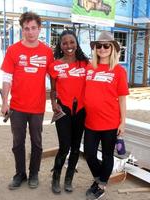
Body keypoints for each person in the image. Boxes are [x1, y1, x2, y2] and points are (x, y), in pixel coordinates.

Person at [1, 11, 54, 190]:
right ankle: (20, 174)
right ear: (22, 29)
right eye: (26, 29)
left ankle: (33, 174)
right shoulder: (13, 50)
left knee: (37, 143)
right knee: (18, 143)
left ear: (39, 29)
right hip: (17, 107)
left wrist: (57, 100)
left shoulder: (47, 52)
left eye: (33, 28)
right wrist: (4, 102)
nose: (30, 32)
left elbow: (55, 78)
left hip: (38, 107)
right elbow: (7, 77)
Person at [84, 31, 129, 200]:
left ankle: (101, 185)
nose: (102, 49)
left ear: (112, 49)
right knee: (89, 153)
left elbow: (122, 100)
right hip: (90, 122)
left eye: (106, 46)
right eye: (98, 46)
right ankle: (99, 178)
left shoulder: (118, 71)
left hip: (110, 122)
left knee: (107, 155)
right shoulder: (89, 67)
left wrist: (122, 122)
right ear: (95, 49)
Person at [48, 30, 89, 194]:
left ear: (77, 43)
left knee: (76, 147)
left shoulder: (85, 64)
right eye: (64, 43)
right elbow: (53, 89)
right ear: (60, 45)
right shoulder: (55, 65)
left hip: (81, 110)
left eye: (71, 42)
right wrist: (53, 103)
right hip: (63, 110)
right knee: (65, 146)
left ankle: (69, 179)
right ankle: (56, 177)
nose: (68, 46)